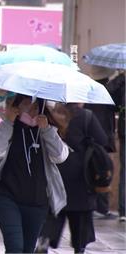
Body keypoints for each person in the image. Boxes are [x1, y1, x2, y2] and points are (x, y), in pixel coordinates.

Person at [0, 94, 69, 253]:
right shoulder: (10, 127)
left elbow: (60, 156)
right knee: (15, 247)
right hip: (8, 198)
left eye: (36, 106)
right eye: (27, 104)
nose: (32, 109)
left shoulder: (47, 130)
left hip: (38, 203)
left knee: (27, 249)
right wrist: (8, 122)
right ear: (18, 105)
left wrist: (47, 130)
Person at [37, 103, 108, 253]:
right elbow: (102, 140)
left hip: (56, 172)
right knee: (81, 217)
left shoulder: (50, 114)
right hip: (81, 177)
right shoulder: (86, 116)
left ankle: (45, 239)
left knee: (54, 212)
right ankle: (79, 247)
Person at [84, 66, 118, 219]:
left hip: (89, 135)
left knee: (91, 169)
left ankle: (94, 204)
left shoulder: (88, 89)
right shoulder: (108, 90)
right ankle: (102, 207)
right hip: (102, 135)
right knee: (103, 169)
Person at [107, 71, 125, 221]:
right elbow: (110, 96)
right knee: (124, 171)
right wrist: (121, 77)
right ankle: (123, 210)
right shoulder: (121, 82)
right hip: (124, 131)